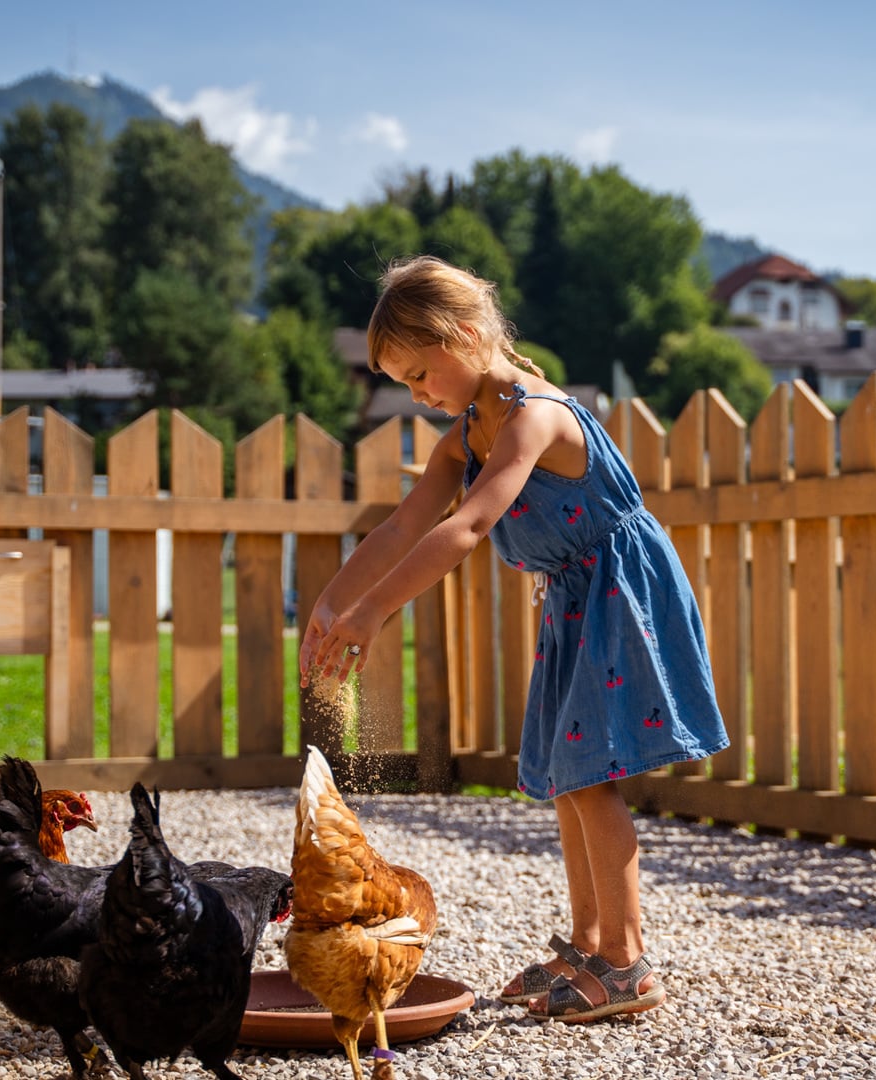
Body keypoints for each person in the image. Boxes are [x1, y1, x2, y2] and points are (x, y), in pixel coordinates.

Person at [299, 255, 728, 1023]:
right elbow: (406, 522)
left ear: (465, 337)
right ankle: (591, 946)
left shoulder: (534, 414)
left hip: (619, 593)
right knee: (571, 772)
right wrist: (333, 602)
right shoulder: (467, 429)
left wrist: (376, 613)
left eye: (421, 372)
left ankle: (627, 965)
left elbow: (466, 525)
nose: (418, 394)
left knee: (592, 774)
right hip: (573, 596)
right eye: (403, 381)